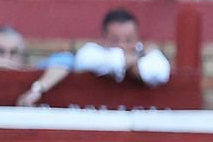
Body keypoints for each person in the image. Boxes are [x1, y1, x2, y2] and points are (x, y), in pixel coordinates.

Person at [18, 7, 171, 106]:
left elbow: (158, 73)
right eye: (115, 40)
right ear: (104, 39)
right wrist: (137, 57)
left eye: (129, 40)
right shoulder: (92, 52)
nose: (122, 46)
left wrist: (129, 63)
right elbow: (97, 61)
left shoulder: (152, 56)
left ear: (137, 38)